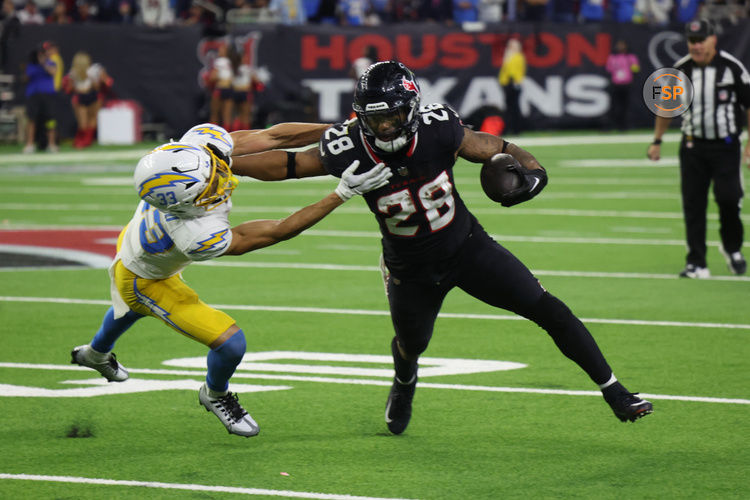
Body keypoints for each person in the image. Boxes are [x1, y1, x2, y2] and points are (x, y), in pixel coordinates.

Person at [231, 61, 654, 434]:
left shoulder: (439, 128)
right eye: (375, 119)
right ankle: (405, 381)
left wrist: (534, 173)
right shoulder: (349, 146)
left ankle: (615, 391)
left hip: (466, 247)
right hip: (409, 266)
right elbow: (288, 165)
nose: (384, 128)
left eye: (393, 116)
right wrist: (228, 163)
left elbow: (499, 148)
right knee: (411, 344)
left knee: (548, 308)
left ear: (411, 109)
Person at [70, 122, 392, 437]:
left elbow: (274, 136)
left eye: (213, 169)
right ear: (185, 206)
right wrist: (342, 193)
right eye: (209, 184)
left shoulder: (199, 149)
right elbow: (277, 230)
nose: (221, 176)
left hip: (134, 247)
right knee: (229, 343)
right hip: (147, 279)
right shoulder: (196, 234)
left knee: (131, 306)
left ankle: (95, 354)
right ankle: (215, 394)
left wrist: (341, 128)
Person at [647, 19, 749, 278]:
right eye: (692, 41)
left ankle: (732, 247)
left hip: (726, 146)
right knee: (693, 204)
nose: (697, 46)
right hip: (693, 146)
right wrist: (657, 141)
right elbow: (665, 108)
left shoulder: (733, 68)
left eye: (701, 40)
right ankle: (697, 262)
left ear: (713, 39)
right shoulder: (679, 71)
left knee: (729, 198)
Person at [22, 45, 59, 153]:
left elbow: (53, 72)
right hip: (34, 95)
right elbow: (26, 77)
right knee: (31, 119)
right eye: (39, 55)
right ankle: (29, 144)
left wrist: (44, 63)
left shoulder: (51, 63)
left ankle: (51, 145)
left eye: (43, 54)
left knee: (50, 120)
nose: (41, 56)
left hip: (48, 95)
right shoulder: (31, 65)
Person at [63, 51, 99, 148]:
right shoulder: (73, 73)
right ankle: (80, 140)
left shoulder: (92, 71)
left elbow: (96, 87)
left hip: (92, 95)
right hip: (80, 96)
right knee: (83, 122)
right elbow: (69, 89)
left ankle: (87, 140)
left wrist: (91, 78)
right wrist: (78, 88)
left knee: (92, 120)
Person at [605, 40, 639, 130]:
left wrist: (632, 66)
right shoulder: (612, 57)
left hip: (626, 84)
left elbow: (636, 69)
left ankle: (624, 126)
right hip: (616, 84)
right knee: (613, 106)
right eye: (619, 45)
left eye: (622, 45)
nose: (620, 47)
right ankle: (611, 125)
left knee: (625, 106)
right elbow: (609, 69)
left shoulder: (630, 57)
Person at [498, 38, 525, 135]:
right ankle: (510, 128)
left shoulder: (517, 57)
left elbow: (513, 72)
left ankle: (516, 129)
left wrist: (513, 81)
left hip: (513, 84)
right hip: (508, 83)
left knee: (514, 108)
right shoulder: (509, 56)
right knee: (510, 108)